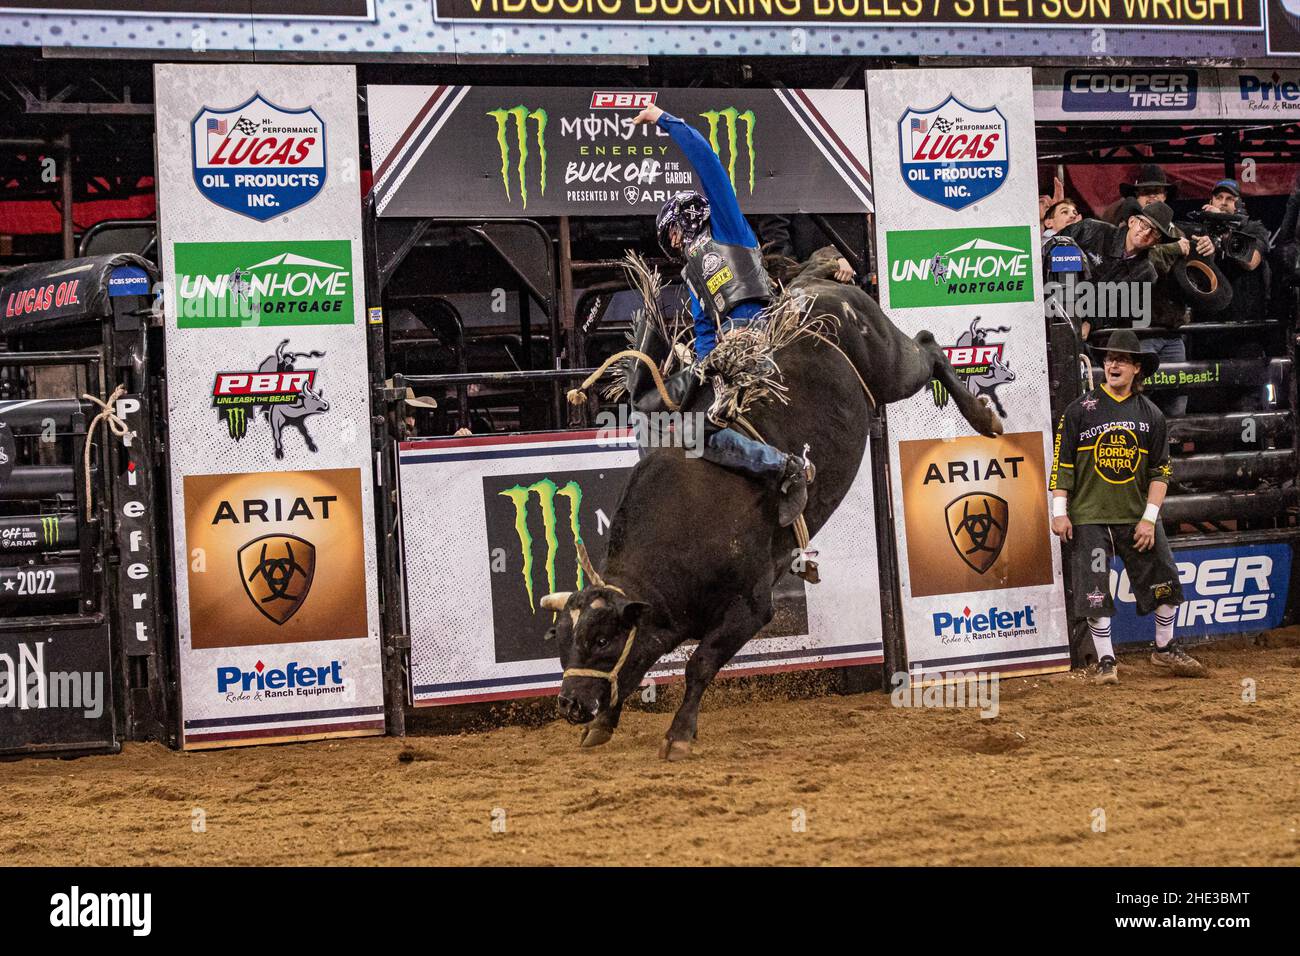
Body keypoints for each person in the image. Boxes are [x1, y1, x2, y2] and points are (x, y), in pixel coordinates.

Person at [631, 102, 814, 526]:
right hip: (724, 357)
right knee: (680, 427)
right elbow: (704, 333)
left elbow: (708, 161)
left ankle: (785, 466)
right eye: (669, 238)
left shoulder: (728, 227)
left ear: (688, 217)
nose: (674, 242)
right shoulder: (695, 280)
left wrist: (663, 118)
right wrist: (700, 369)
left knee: (700, 430)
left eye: (673, 231)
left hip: (756, 338)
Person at [1049, 329, 1207, 684]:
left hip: (1137, 517)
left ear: (1137, 368)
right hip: (1089, 517)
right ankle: (1107, 661)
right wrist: (1059, 511)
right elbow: (1063, 466)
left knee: (1166, 582)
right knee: (1094, 591)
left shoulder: (1151, 415)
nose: (1113, 364)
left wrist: (1149, 519)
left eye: (1121, 359)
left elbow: (1160, 472)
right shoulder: (1080, 410)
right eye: (1109, 359)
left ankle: (1164, 650)